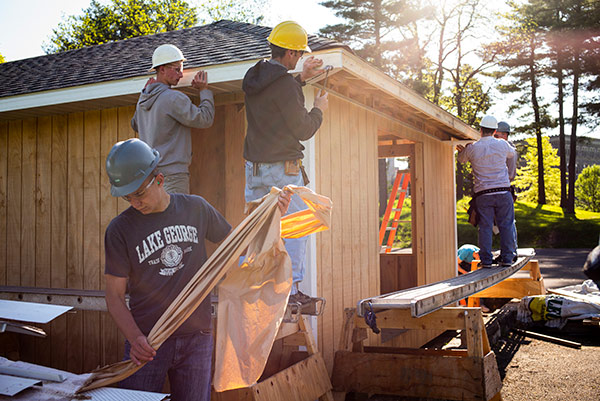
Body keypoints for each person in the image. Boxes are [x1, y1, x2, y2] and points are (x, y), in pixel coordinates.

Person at [103, 138, 290, 400]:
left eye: (139, 193)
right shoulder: (119, 230)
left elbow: (238, 245)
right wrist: (135, 338)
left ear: (159, 178)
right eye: (127, 196)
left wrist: (270, 214)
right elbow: (113, 296)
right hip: (148, 342)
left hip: (197, 340)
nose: (134, 202)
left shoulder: (196, 209)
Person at [242, 21, 329, 305]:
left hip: (255, 170)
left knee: (258, 229)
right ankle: (290, 293)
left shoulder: (255, 77)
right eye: (300, 55)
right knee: (296, 227)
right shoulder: (283, 85)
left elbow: (278, 95)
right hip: (283, 170)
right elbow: (303, 128)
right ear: (290, 54)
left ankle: (251, 286)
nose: (301, 59)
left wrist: (300, 78)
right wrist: (318, 109)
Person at [131, 44, 215, 194]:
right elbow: (205, 119)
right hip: (173, 176)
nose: (181, 75)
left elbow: (135, 124)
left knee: (158, 217)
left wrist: (143, 94)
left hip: (151, 177)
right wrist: (204, 91)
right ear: (162, 69)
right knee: (177, 217)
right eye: (177, 70)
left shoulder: (143, 99)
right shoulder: (173, 98)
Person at [457, 115, 517, 268]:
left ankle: (486, 261)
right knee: (506, 225)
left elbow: (461, 159)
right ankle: (507, 258)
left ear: (481, 130)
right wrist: (511, 174)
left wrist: (463, 150)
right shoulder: (503, 145)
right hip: (503, 191)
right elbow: (513, 153)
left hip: (483, 194)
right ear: (495, 130)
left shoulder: (473, 148)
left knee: (485, 227)